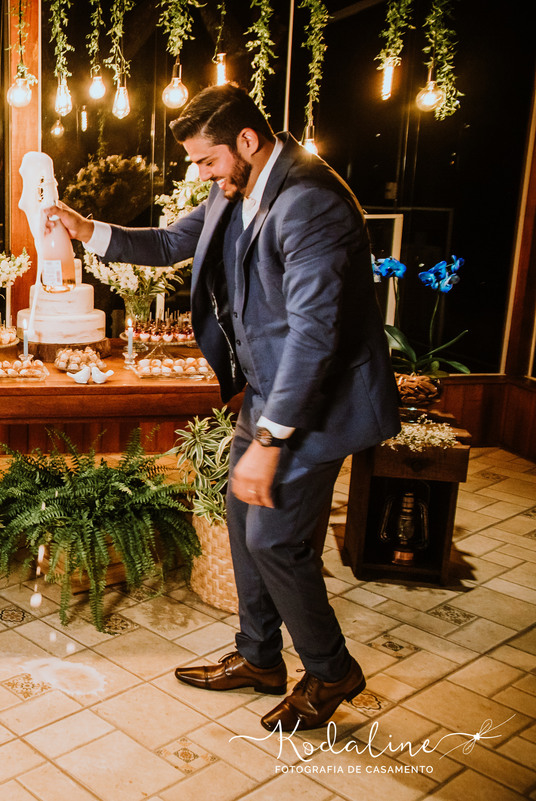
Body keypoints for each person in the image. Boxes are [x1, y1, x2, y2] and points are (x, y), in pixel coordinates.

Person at [48, 83, 399, 732]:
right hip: (268, 390)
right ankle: (260, 656)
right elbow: (167, 244)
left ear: (247, 140)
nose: (200, 174)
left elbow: (314, 335)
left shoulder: (309, 203)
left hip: (316, 399)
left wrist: (268, 440)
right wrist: (85, 228)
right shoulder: (233, 185)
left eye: (206, 160)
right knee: (243, 526)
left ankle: (330, 669)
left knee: (276, 540)